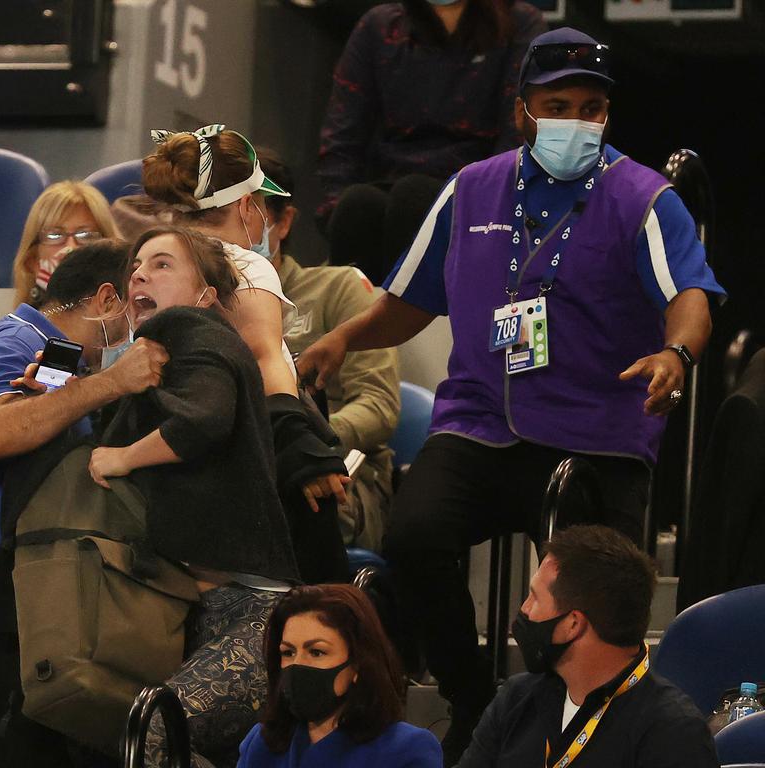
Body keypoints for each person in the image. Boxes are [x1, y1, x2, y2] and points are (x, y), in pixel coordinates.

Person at [297, 27, 726, 764]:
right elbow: (411, 300)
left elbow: (691, 293)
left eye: (592, 108)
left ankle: (565, 725)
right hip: (481, 424)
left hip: (598, 432)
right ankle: (470, 696)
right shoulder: (471, 189)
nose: (577, 121)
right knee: (413, 538)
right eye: (558, 104)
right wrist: (344, 339)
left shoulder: (644, 196)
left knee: (590, 598)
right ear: (524, 110)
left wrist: (675, 353)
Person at [0, 240, 167, 768]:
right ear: (105, 298)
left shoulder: (64, 366)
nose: (134, 331)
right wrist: (114, 382)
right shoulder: (20, 336)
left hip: (23, 606)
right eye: (132, 312)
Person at [86, 225, 300, 768]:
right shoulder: (160, 354)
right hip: (198, 608)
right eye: (136, 265)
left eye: (162, 265)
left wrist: (123, 457)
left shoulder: (195, 329)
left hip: (251, 614)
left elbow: (203, 423)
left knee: (153, 736)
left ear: (205, 294)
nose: (139, 273)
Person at [143, 124, 349, 584]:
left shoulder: (141, 265)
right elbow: (262, 362)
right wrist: (301, 451)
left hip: (160, 464)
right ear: (246, 205)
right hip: (239, 476)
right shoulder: (246, 264)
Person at [319, 0, 546, 283]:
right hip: (390, 181)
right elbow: (343, 133)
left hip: (475, 189)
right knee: (357, 206)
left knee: (415, 199)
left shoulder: (519, 24)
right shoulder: (380, 27)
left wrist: (496, 213)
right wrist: (334, 208)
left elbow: (519, 130)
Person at [460, 525, 719, 767]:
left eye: (535, 597)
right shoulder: (516, 699)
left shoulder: (673, 731)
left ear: (573, 624)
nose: (524, 609)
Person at [258, 147, 400, 551]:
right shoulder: (205, 304)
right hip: (240, 473)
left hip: (339, 474)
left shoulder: (337, 289)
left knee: (289, 504)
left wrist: (301, 446)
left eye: (249, 214)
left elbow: (378, 404)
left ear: (283, 222)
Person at [238, 584, 442, 767]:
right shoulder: (262, 742)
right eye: (288, 652)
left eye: (317, 652)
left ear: (358, 664)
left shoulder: (407, 749)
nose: (298, 664)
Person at [10, 180, 121, 308]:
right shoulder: (20, 327)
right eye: (55, 235)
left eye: (85, 236)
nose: (70, 248)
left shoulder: (131, 323)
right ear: (32, 261)